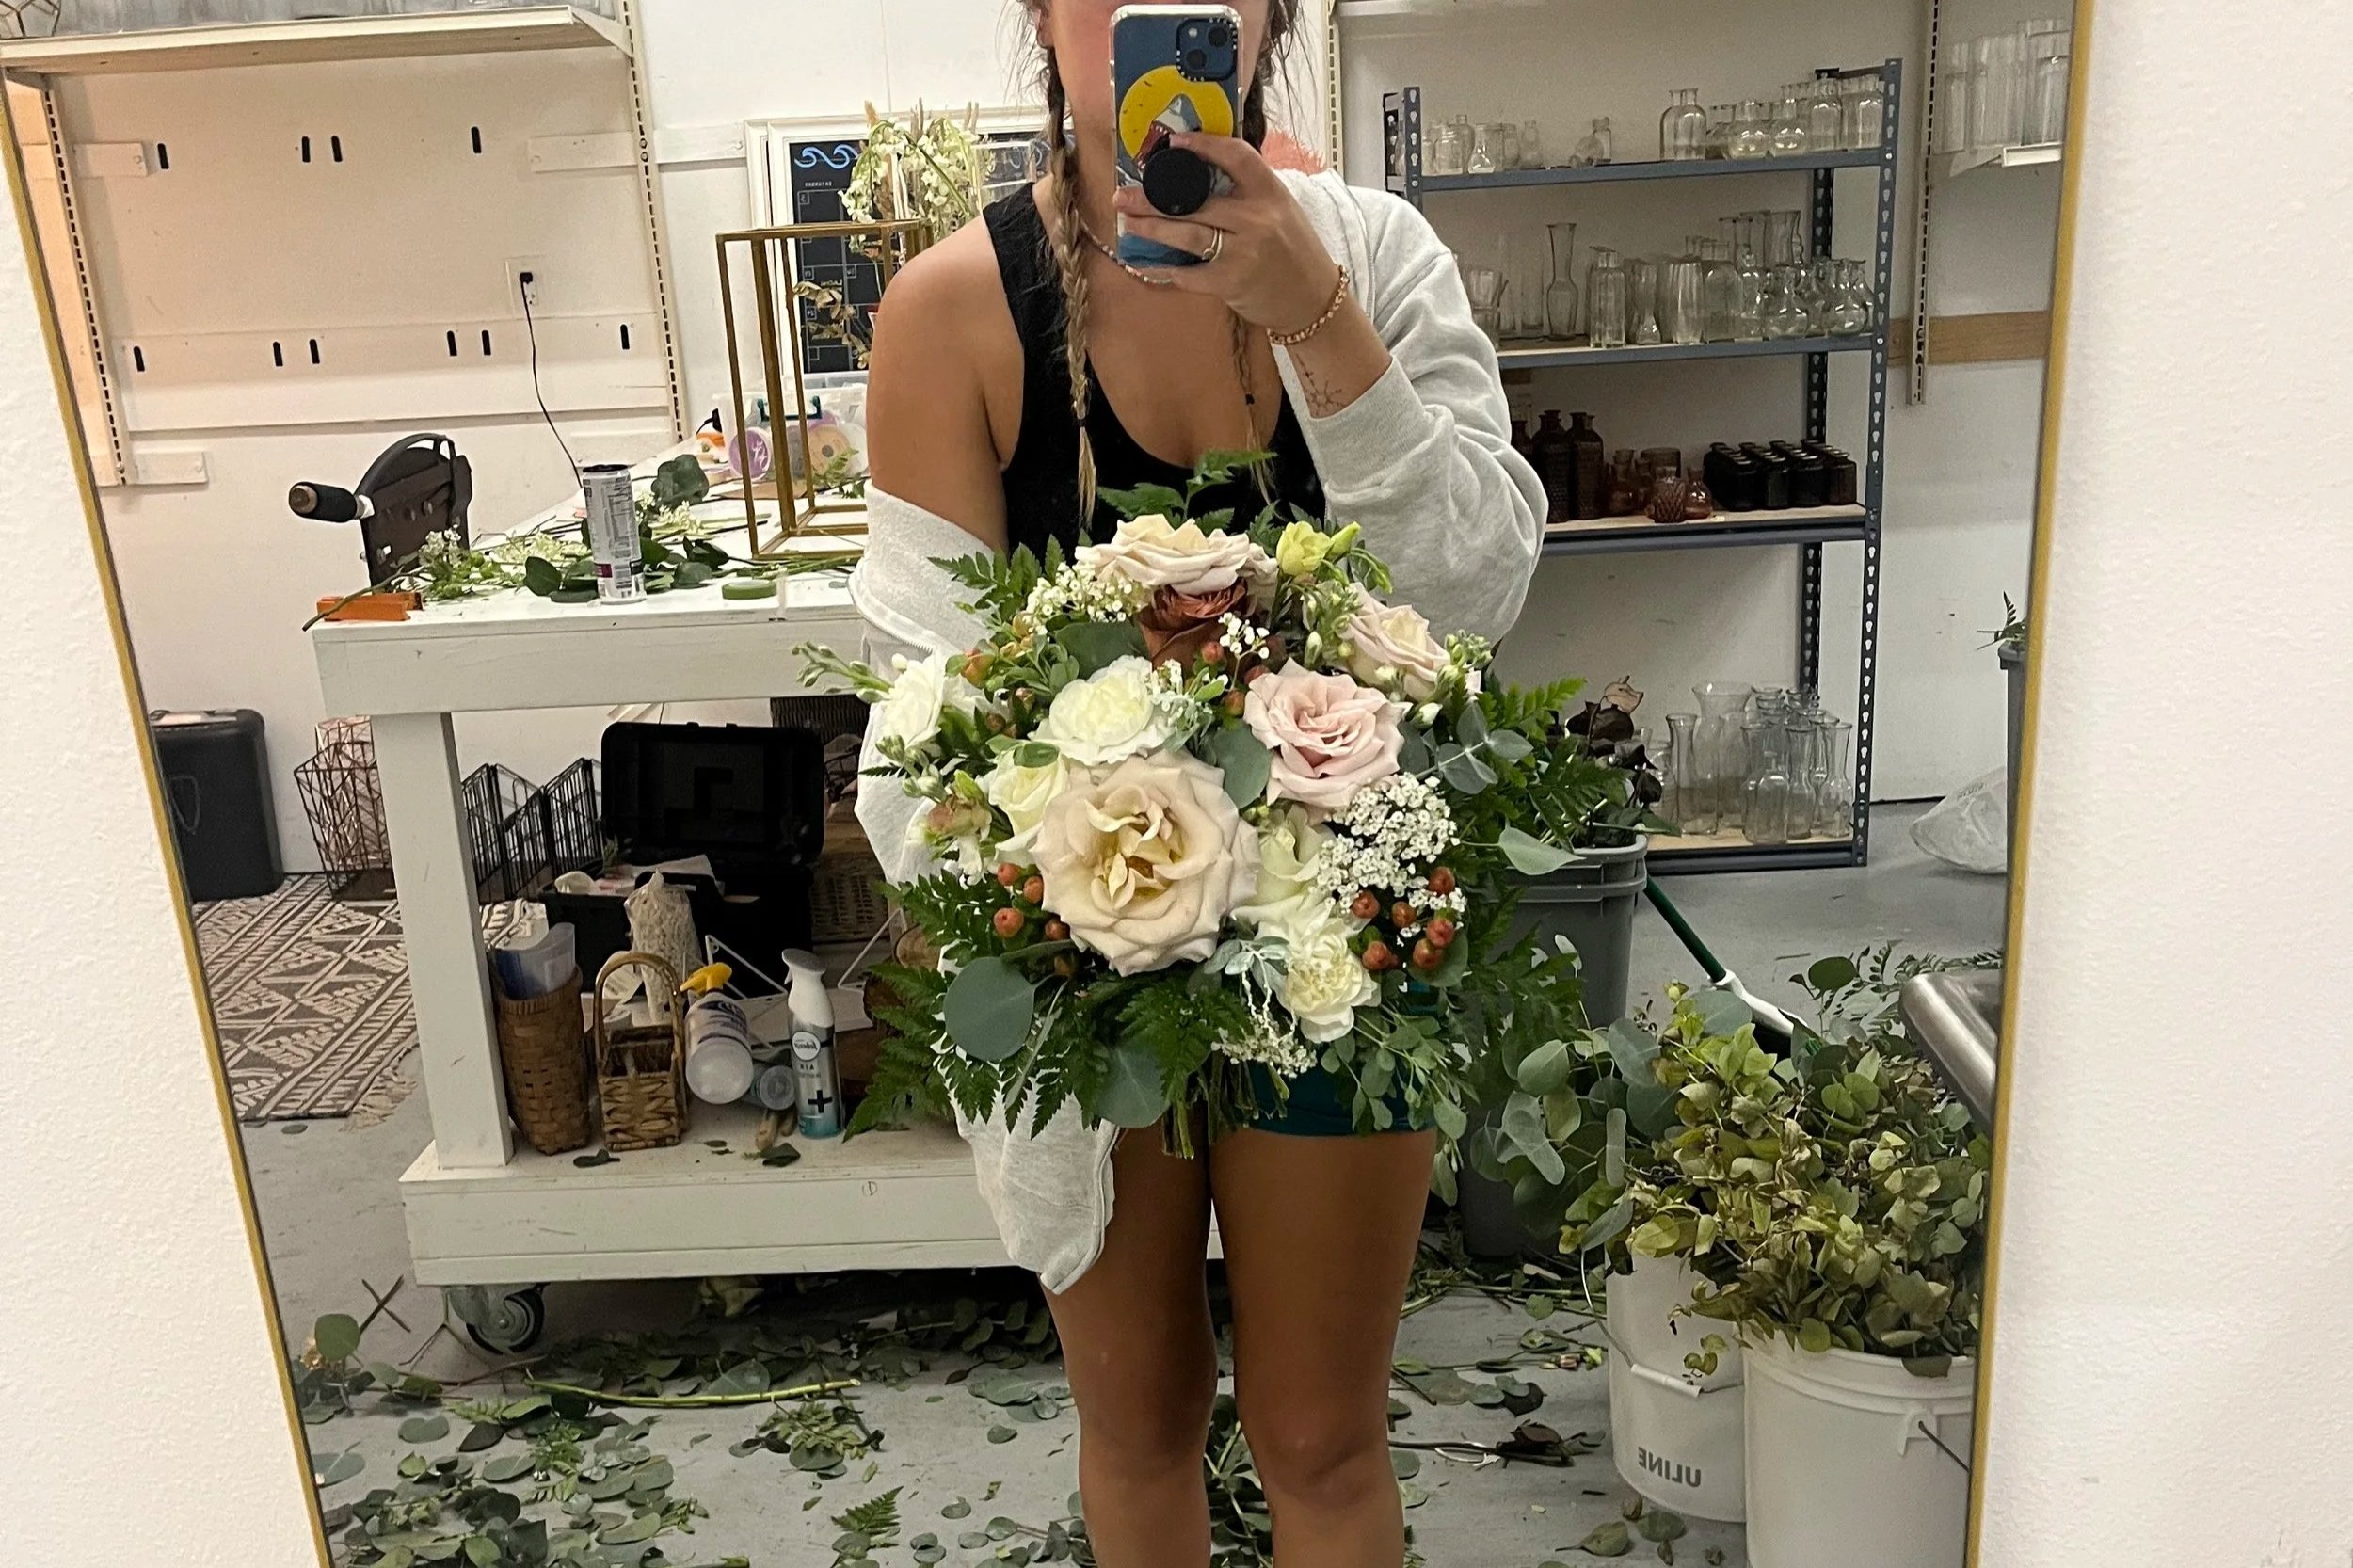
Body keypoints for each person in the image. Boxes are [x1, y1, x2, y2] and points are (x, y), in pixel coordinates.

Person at [856, 5, 1545, 1565]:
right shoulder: (957, 311)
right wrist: (1049, 847)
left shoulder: (1375, 256)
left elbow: (1482, 593)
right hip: (1088, 948)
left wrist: (1324, 324)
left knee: (1319, 1433)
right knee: (1144, 1417)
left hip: (1351, 935)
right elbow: (913, 723)